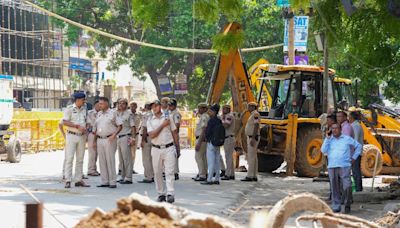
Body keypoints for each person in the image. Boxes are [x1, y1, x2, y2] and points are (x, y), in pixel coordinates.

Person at [321, 122, 362, 213]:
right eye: (332, 128)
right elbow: (323, 150)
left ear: (340, 129)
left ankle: (347, 204)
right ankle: (336, 205)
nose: (334, 130)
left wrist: (354, 158)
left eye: (336, 128)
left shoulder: (347, 139)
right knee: (334, 186)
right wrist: (327, 139)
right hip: (332, 165)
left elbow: (358, 146)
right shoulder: (329, 140)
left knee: (347, 186)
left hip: (344, 165)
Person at [147, 100, 180, 203]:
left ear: (160, 106)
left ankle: (170, 193)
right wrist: (162, 125)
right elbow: (152, 135)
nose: (154, 108)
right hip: (156, 148)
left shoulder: (168, 117)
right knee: (157, 172)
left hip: (169, 147)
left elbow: (174, 132)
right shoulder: (150, 120)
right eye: (153, 107)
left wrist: (177, 147)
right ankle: (161, 193)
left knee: (169, 171)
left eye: (156, 106)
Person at [62, 92, 90, 188]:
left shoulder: (84, 109)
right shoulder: (69, 109)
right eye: (83, 100)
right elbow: (64, 122)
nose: (84, 101)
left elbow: (87, 121)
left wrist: (87, 127)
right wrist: (77, 126)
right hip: (71, 135)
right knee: (69, 158)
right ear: (78, 100)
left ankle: (78, 180)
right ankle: (68, 180)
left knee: (80, 159)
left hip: (81, 136)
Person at [93, 97, 122, 188]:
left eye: (101, 103)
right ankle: (104, 181)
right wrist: (94, 141)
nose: (99, 105)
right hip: (100, 139)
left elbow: (120, 126)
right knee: (102, 161)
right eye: (99, 103)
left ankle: (112, 182)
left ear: (106, 104)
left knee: (110, 160)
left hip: (110, 139)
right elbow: (95, 129)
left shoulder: (113, 113)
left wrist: (114, 135)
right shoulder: (99, 114)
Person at [201, 103, 222, 185]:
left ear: (214, 111)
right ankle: (217, 179)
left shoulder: (211, 120)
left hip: (211, 143)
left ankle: (209, 179)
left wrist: (207, 137)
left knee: (211, 162)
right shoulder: (219, 120)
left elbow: (208, 131)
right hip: (217, 143)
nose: (209, 112)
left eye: (211, 110)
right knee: (217, 161)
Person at [116, 98, 135, 184]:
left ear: (126, 105)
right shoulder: (117, 113)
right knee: (121, 159)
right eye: (119, 103)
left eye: (123, 103)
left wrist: (133, 138)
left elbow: (133, 127)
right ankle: (123, 176)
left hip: (126, 136)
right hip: (118, 137)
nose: (121, 105)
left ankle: (128, 177)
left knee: (127, 158)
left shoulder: (129, 114)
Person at [241, 102, 260, 182]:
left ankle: (250, 175)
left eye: (249, 106)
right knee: (254, 157)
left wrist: (252, 138)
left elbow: (256, 125)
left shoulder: (255, 114)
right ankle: (254, 175)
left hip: (253, 137)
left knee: (251, 157)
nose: (247, 108)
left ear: (253, 107)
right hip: (252, 136)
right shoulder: (253, 114)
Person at [138, 102, 154, 183]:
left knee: (146, 159)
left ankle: (148, 176)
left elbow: (145, 128)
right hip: (153, 138)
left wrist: (143, 140)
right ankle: (153, 175)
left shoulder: (146, 115)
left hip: (147, 137)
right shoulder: (154, 115)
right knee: (151, 158)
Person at [193, 103, 209, 182]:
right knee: (203, 158)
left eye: (201, 108)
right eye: (199, 108)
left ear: (205, 109)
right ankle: (204, 173)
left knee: (198, 157)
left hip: (201, 139)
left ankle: (202, 174)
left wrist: (199, 142)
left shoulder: (204, 117)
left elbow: (204, 129)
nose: (199, 110)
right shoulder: (203, 116)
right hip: (202, 139)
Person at [349, 111, 364, 192]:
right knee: (355, 171)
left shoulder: (356, 126)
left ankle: (358, 189)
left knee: (356, 171)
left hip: (355, 152)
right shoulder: (355, 125)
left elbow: (355, 140)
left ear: (352, 117)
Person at [221, 105, 235, 180]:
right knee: (229, 157)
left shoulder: (229, 116)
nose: (223, 110)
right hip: (228, 138)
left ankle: (227, 174)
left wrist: (222, 120)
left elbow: (226, 125)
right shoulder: (226, 116)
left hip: (229, 138)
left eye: (225, 109)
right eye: (223, 109)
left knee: (228, 157)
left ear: (228, 109)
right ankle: (232, 174)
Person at [169, 98, 181, 180]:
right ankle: (172, 171)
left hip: (174, 134)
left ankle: (175, 172)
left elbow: (177, 125)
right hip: (170, 135)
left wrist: (175, 134)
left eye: (171, 105)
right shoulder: (170, 113)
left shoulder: (176, 113)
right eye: (169, 105)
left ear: (175, 105)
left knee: (174, 153)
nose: (170, 106)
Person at [87, 100, 100, 176]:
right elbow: (89, 124)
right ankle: (91, 170)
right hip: (92, 133)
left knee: (97, 153)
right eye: (98, 105)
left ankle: (94, 169)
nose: (100, 106)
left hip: (100, 134)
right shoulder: (90, 113)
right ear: (95, 105)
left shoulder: (102, 113)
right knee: (92, 153)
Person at [130, 101, 141, 175]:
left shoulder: (139, 115)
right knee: (124, 153)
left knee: (133, 153)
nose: (133, 107)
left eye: (134, 106)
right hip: (128, 135)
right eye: (131, 106)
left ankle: (131, 168)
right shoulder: (127, 114)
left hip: (136, 135)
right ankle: (121, 168)